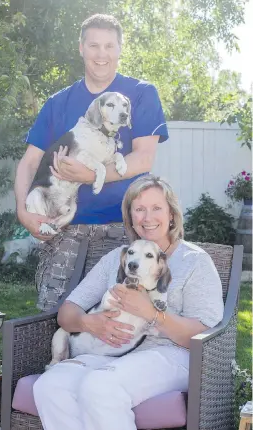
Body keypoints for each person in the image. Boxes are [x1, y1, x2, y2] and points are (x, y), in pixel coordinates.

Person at [32, 174, 224, 430]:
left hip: (172, 354)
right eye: (139, 209)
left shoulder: (195, 261)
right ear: (130, 216)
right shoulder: (118, 258)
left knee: (100, 387)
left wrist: (151, 313)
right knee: (50, 386)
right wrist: (89, 323)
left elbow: (205, 333)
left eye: (156, 208)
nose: (147, 218)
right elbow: (67, 313)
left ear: (171, 215)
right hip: (112, 353)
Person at [14, 14, 169, 311]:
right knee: (54, 316)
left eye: (109, 46)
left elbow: (143, 158)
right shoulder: (58, 102)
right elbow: (29, 163)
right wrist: (23, 212)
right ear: (81, 48)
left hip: (123, 230)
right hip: (65, 230)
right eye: (94, 45)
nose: (102, 54)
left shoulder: (140, 94)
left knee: (118, 317)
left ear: (120, 49)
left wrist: (89, 174)